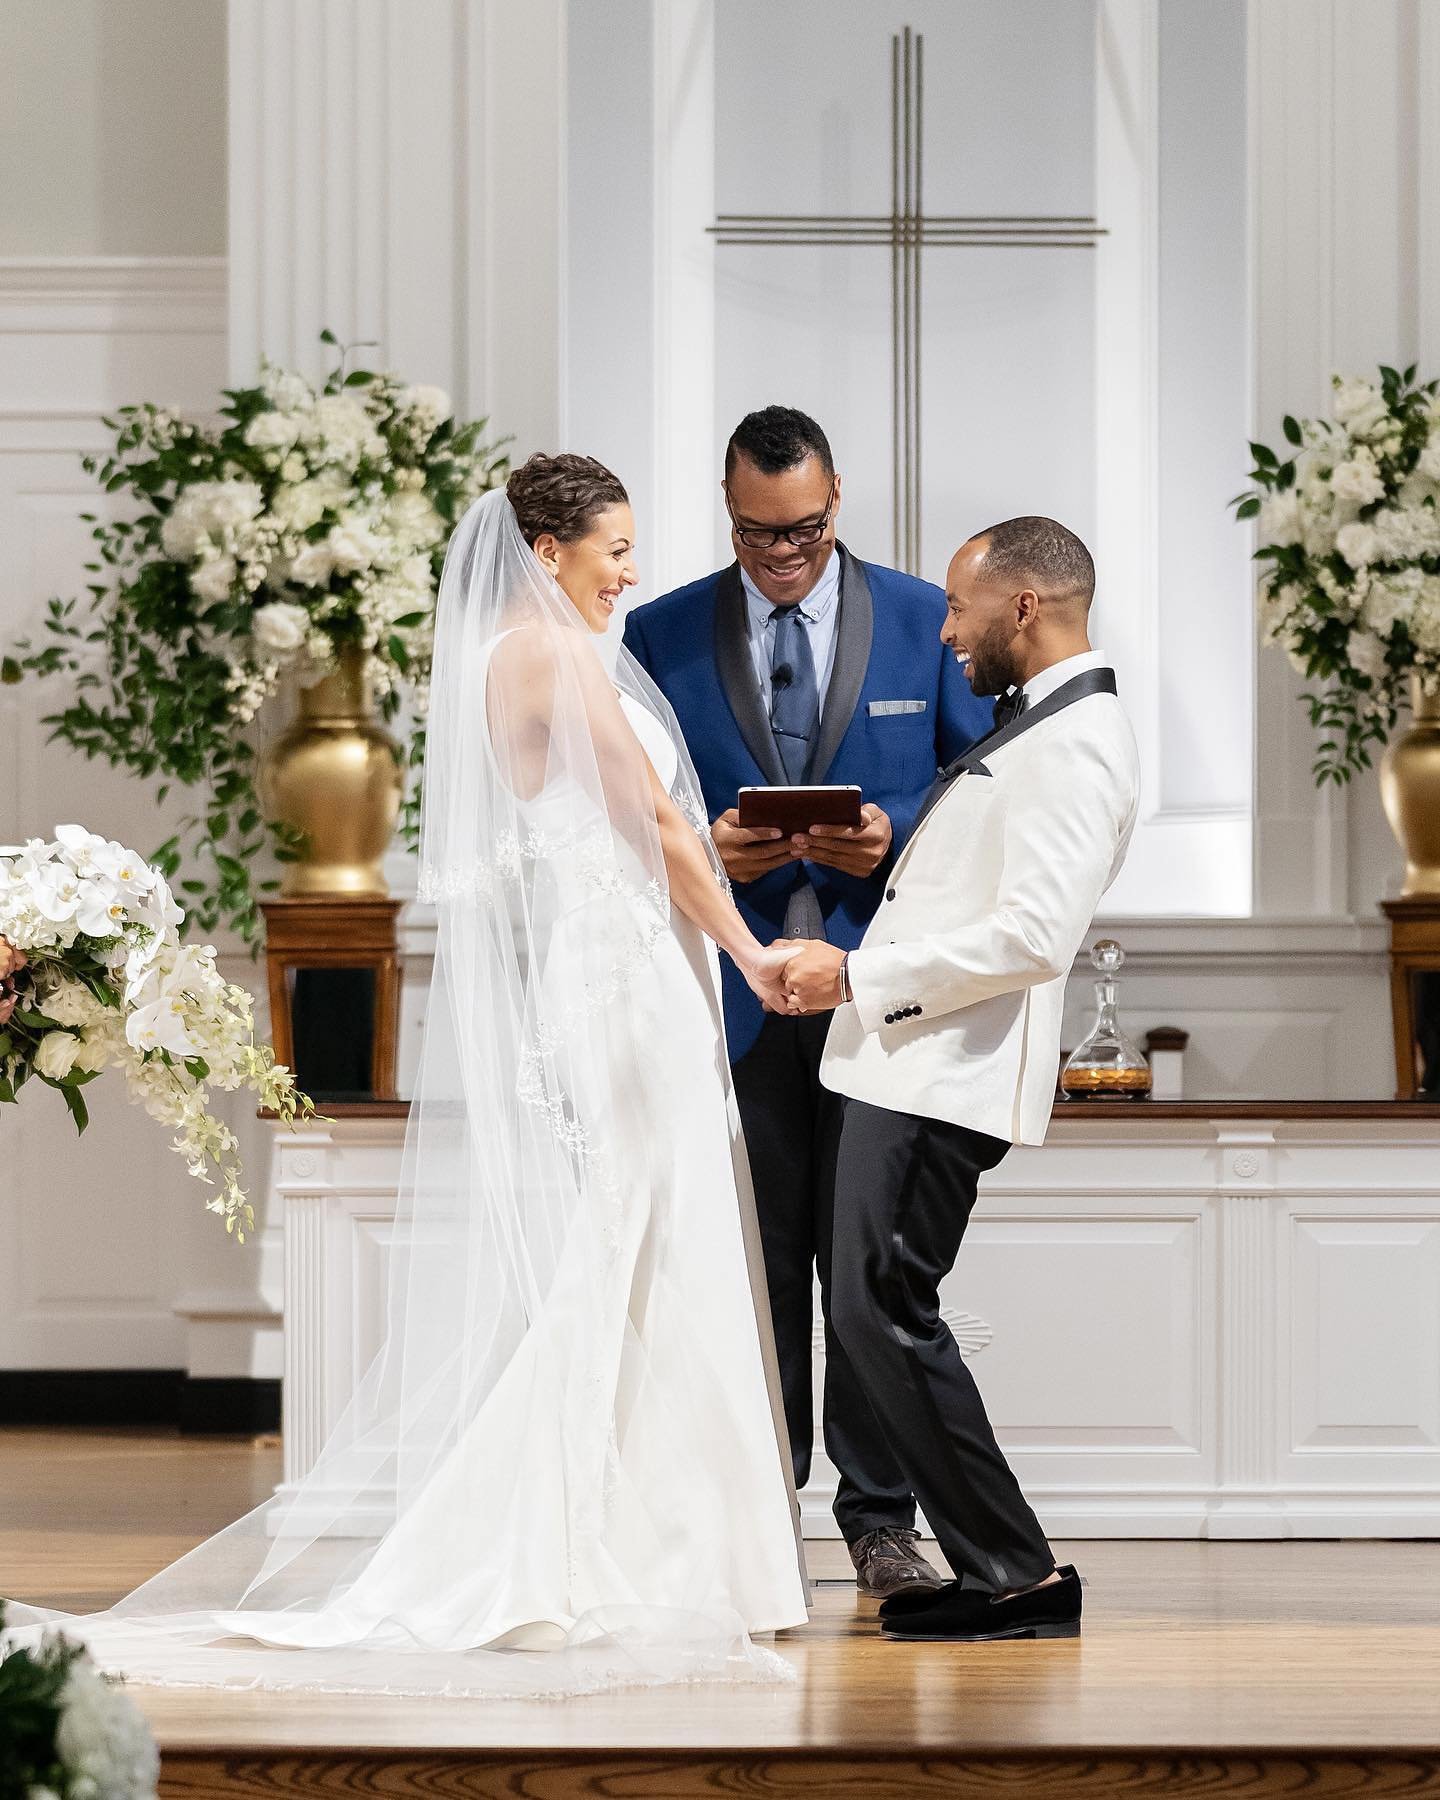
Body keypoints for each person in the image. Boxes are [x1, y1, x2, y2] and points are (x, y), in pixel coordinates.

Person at [1, 457, 809, 1697]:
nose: (632, 572)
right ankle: (576, 1548)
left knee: (645, 1249)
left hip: (621, 975)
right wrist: (752, 951)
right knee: (637, 1249)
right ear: (549, 554)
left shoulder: (506, 657)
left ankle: (664, 1546)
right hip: (626, 985)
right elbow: (651, 817)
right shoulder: (545, 659)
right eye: (616, 550)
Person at [622, 406, 992, 1598]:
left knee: (865, 1263)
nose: (782, 553)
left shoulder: (926, 621)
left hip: (875, 992)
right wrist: (704, 856)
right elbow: (632, 805)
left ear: (840, 499)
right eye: (756, 533)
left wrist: (890, 837)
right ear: (725, 507)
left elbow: (977, 784)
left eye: (805, 531)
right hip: (731, 996)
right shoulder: (660, 630)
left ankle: (880, 1520)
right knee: (754, 1261)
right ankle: (752, 1508)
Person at [779, 516, 1140, 1641]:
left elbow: (1035, 938)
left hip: (942, 1075)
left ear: (1022, 607)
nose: (945, 631)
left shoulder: (1079, 742)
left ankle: (1019, 1576)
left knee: (879, 1309)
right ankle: (1001, 1567)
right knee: (872, 1310)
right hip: (909, 1068)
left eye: (960, 607)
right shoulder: (1042, 725)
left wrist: (858, 975)